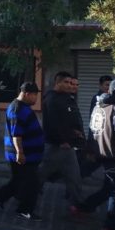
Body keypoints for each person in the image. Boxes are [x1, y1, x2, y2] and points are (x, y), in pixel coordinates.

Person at [72, 78, 115, 230]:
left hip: (100, 151)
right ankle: (111, 228)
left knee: (110, 188)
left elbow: (93, 128)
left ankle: (84, 207)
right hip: (114, 155)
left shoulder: (100, 105)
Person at [0, 82, 45, 220]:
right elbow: (17, 134)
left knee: (20, 180)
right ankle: (24, 209)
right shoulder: (18, 109)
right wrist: (20, 153)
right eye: (35, 96)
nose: (36, 99)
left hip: (27, 153)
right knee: (32, 184)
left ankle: (0, 195)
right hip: (23, 155)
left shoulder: (22, 107)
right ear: (27, 94)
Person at [39, 71, 85, 206]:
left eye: (71, 83)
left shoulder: (66, 98)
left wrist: (75, 133)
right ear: (57, 83)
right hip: (56, 145)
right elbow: (53, 124)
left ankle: (77, 204)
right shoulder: (52, 99)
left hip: (67, 145)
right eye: (66, 82)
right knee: (41, 174)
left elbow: (67, 121)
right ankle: (20, 193)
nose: (70, 85)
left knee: (74, 176)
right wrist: (62, 140)